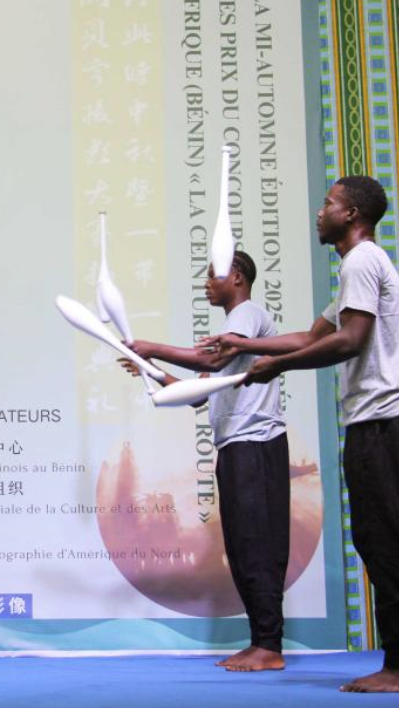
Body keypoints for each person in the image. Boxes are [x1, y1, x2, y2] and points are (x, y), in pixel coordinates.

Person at [201, 176, 399, 693]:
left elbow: (350, 342)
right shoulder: (360, 269)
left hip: (385, 426)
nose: (320, 211)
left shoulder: (360, 261)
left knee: (386, 544)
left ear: (352, 213)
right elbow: (314, 336)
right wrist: (246, 344)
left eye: (329, 204)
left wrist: (276, 365)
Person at [122, 250, 290, 672]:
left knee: (258, 545)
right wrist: (149, 366)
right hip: (236, 447)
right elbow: (198, 392)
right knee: (243, 545)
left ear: (236, 277)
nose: (205, 284)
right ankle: (262, 642)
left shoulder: (247, 316)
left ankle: (269, 646)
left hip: (257, 445)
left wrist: (151, 345)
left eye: (211, 276)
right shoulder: (233, 332)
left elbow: (208, 360)